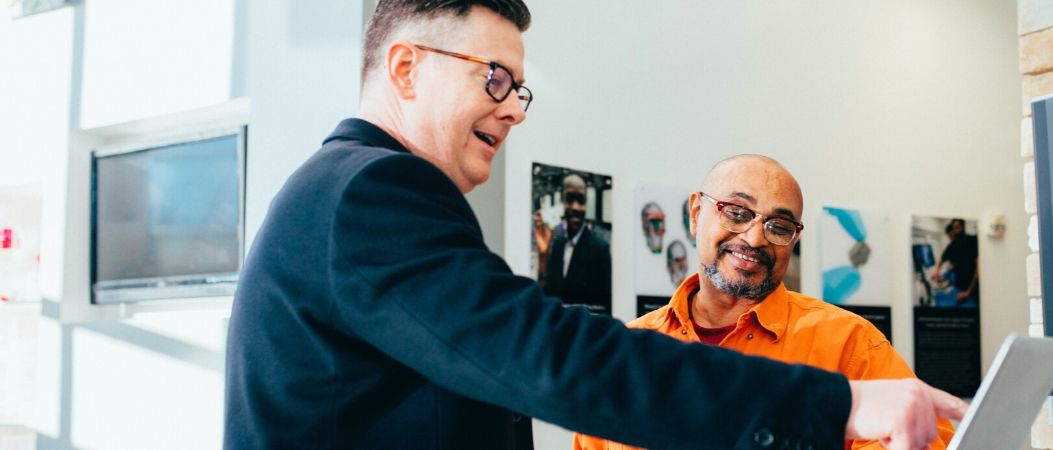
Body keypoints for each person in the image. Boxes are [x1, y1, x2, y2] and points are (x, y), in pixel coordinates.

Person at [224, 1, 966, 449]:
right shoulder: (371, 191)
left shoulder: (347, 191)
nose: (513, 108)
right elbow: (547, 354)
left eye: (519, 89)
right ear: (405, 68)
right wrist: (837, 402)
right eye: (494, 77)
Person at [573, 155, 956, 450]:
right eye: (737, 213)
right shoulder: (626, 356)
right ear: (696, 214)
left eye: (779, 226)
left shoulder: (849, 345)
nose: (755, 238)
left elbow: (928, 441)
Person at [536, 173, 612, 312]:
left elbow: (605, 307)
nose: (575, 207)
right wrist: (543, 256)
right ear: (562, 201)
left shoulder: (600, 249)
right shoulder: (557, 245)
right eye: (570, 199)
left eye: (581, 200)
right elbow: (547, 297)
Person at [932, 219, 979, 306]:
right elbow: (943, 259)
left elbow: (978, 268)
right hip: (959, 286)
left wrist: (968, 292)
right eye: (954, 228)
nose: (951, 237)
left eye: (958, 227)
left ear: (963, 227)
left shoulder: (972, 240)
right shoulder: (952, 246)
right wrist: (936, 271)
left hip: (973, 288)